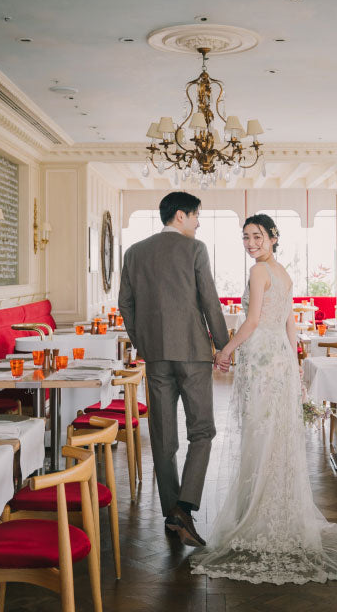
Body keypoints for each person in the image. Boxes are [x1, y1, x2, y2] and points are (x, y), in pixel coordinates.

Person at [192, 214, 337, 584]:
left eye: (257, 236)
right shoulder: (283, 273)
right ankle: (278, 513)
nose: (251, 242)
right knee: (276, 436)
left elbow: (251, 322)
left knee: (259, 433)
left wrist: (225, 350)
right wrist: (296, 368)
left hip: (262, 358)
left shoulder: (258, 272)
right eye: (246, 237)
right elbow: (291, 329)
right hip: (280, 360)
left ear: (273, 237)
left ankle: (259, 516)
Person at [118, 191, 230, 547]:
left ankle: (172, 516)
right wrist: (224, 344)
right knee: (202, 431)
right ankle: (184, 507)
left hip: (156, 356)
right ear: (180, 216)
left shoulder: (134, 252)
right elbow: (209, 299)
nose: (198, 222)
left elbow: (126, 304)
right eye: (197, 216)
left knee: (163, 439)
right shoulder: (195, 249)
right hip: (194, 352)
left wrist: (143, 342)